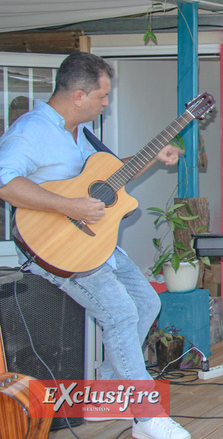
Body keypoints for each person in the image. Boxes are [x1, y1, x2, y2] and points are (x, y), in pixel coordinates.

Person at [0, 52, 191, 439]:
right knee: (120, 312)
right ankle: (146, 415)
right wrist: (68, 206)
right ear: (79, 96)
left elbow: (105, 176)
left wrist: (153, 155)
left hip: (93, 243)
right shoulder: (31, 130)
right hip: (55, 250)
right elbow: (5, 183)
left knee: (146, 302)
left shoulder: (77, 134)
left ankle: (103, 396)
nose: (107, 103)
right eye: (103, 96)